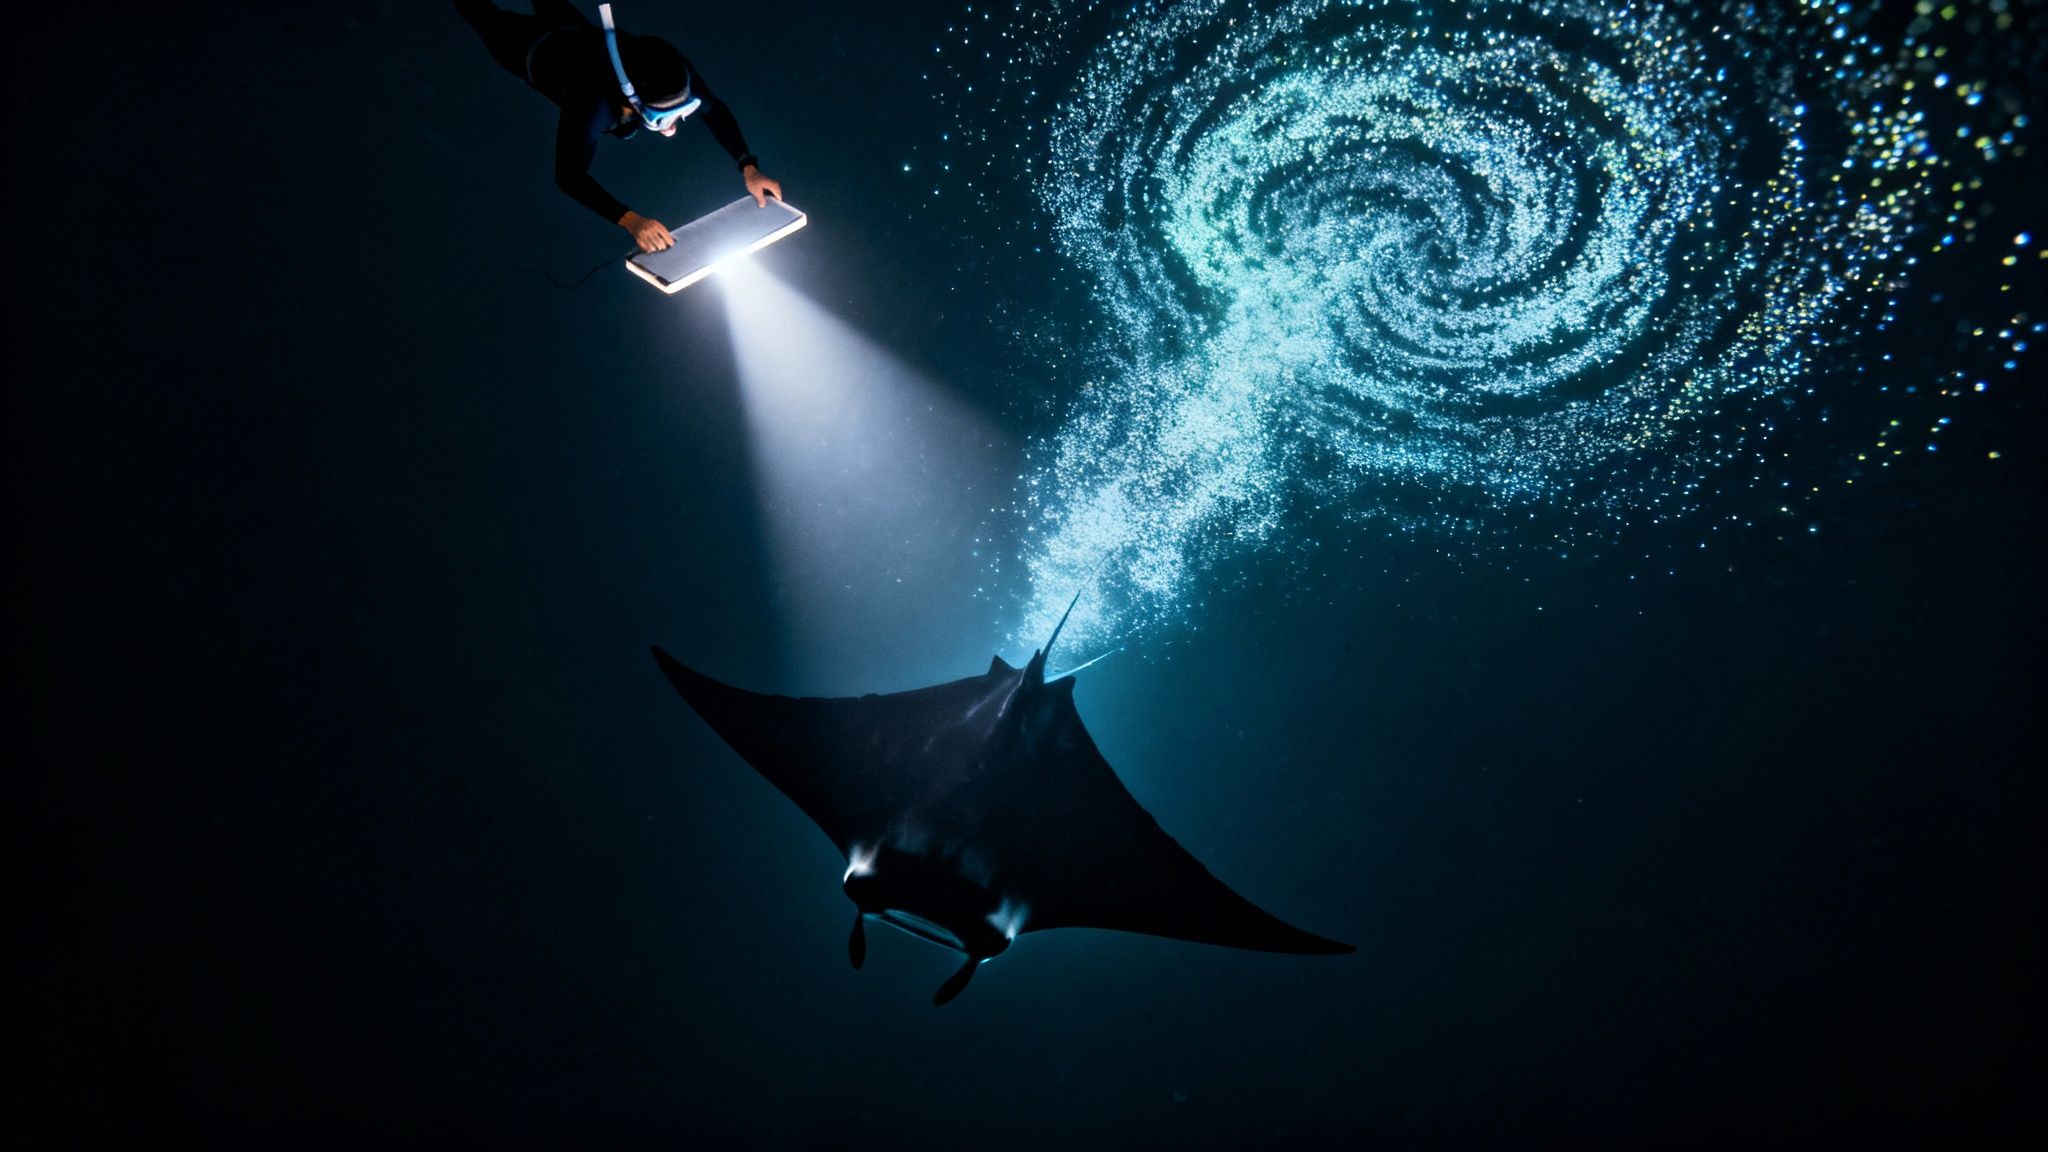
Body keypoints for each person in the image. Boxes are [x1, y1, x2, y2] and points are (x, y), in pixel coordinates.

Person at [455, 1, 783, 253]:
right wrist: (631, 221)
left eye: (684, 110)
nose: (675, 124)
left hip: (575, 31)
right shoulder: (592, 103)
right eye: (663, 118)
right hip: (532, 49)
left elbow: (715, 111)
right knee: (482, 15)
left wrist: (748, 166)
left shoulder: (673, 71)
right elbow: (569, 176)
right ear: (632, 102)